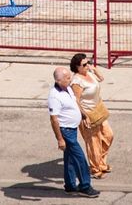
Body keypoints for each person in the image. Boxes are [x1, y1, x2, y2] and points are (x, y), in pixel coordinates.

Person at [47, 67, 97, 197]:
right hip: (66, 131)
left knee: (69, 158)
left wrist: (83, 115)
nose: (70, 79)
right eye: (67, 78)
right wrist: (60, 139)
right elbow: (54, 120)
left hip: (72, 129)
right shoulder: (55, 96)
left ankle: (69, 185)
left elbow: (75, 102)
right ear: (58, 81)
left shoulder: (68, 88)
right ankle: (85, 186)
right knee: (80, 158)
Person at [69, 52, 113, 178]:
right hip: (87, 114)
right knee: (93, 142)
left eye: (88, 62)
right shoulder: (76, 81)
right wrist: (84, 116)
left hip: (98, 110)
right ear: (77, 67)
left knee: (108, 135)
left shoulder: (88, 73)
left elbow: (101, 79)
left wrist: (94, 69)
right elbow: (76, 100)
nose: (87, 65)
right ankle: (95, 168)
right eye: (84, 64)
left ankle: (101, 163)